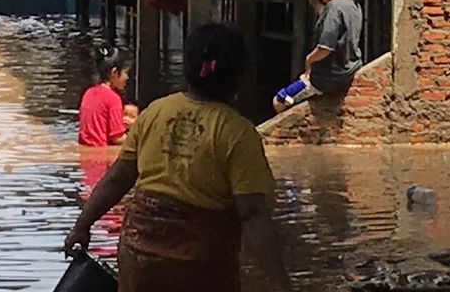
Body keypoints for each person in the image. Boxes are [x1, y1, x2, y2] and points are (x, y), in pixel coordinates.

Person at [65, 24, 293, 292]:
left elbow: (117, 179)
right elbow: (253, 214)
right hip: (200, 265)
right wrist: (280, 282)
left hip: (140, 257)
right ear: (240, 76)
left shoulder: (155, 112)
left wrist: (82, 226)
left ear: (187, 67)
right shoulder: (238, 133)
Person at [273, 0, 363, 113]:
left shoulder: (334, 8)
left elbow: (325, 47)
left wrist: (309, 60)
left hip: (327, 77)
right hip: (349, 68)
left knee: (279, 101)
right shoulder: (353, 5)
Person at [78, 48, 133, 147]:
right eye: (126, 73)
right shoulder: (113, 98)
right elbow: (117, 138)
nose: (127, 77)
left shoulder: (88, 92)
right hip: (101, 154)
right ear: (114, 72)